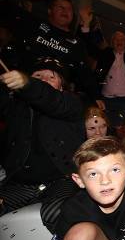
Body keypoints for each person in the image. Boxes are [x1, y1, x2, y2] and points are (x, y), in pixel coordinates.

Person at [0, 58, 83, 231]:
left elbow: (51, 100)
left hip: (61, 180)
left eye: (51, 77)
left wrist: (30, 84)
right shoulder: (15, 106)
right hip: (22, 183)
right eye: (38, 75)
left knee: (56, 212)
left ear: (62, 86)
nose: (43, 80)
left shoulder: (71, 103)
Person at [6, 0, 102, 107]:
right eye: (61, 7)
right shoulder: (35, 25)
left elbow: (85, 71)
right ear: (50, 11)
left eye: (69, 9)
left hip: (54, 100)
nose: (65, 11)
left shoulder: (76, 43)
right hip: (23, 92)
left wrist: (96, 96)